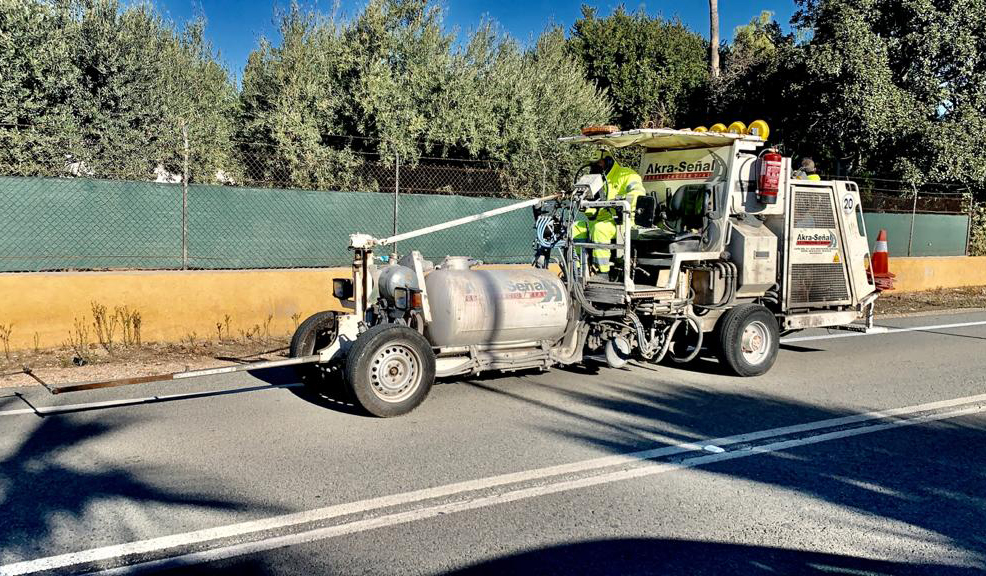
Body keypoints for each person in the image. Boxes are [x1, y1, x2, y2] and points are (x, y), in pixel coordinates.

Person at [572, 149, 646, 278]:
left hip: (624, 220)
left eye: (598, 163)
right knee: (576, 227)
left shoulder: (627, 174)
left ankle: (603, 272)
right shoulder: (596, 181)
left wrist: (620, 201)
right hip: (601, 220)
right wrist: (586, 207)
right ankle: (579, 270)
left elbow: (638, 193)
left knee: (601, 229)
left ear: (609, 161)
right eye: (593, 164)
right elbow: (593, 212)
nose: (595, 166)